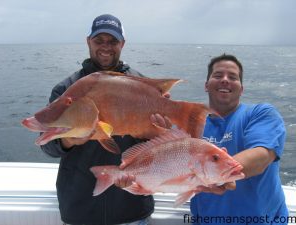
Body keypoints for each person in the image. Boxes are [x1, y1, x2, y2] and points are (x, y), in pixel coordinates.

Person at [41, 14, 170, 225]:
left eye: (113, 41)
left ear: (123, 44)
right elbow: (47, 146)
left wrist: (160, 133)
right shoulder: (66, 90)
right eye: (99, 40)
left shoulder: (142, 86)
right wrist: (68, 140)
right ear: (88, 41)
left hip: (131, 206)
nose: (105, 47)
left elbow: (158, 149)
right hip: (80, 209)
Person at [190, 54, 288, 225]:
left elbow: (262, 156)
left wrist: (219, 175)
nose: (225, 80)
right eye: (218, 75)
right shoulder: (191, 124)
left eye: (233, 77)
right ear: (206, 85)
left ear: (241, 89)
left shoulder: (261, 113)